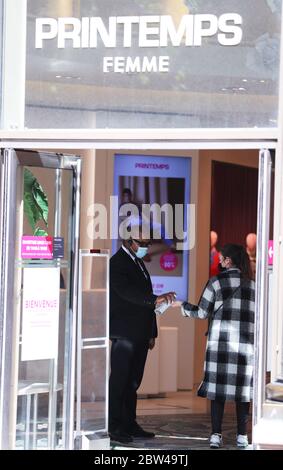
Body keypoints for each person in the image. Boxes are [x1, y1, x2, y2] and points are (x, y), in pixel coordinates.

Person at [172, 244, 255, 449]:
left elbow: (201, 313)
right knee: (242, 393)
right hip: (246, 347)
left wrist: (181, 305)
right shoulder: (253, 286)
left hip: (220, 346)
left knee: (217, 393)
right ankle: (242, 436)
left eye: (221, 258)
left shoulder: (215, 283)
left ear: (228, 261)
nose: (219, 260)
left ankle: (216, 435)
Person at [109, 228, 176, 444]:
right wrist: (154, 299)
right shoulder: (117, 262)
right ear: (129, 242)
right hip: (124, 333)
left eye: (148, 242)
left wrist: (151, 333)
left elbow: (144, 301)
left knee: (133, 382)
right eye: (142, 242)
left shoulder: (138, 262)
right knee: (120, 381)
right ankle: (115, 425)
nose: (146, 247)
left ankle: (130, 423)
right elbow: (126, 293)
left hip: (139, 332)